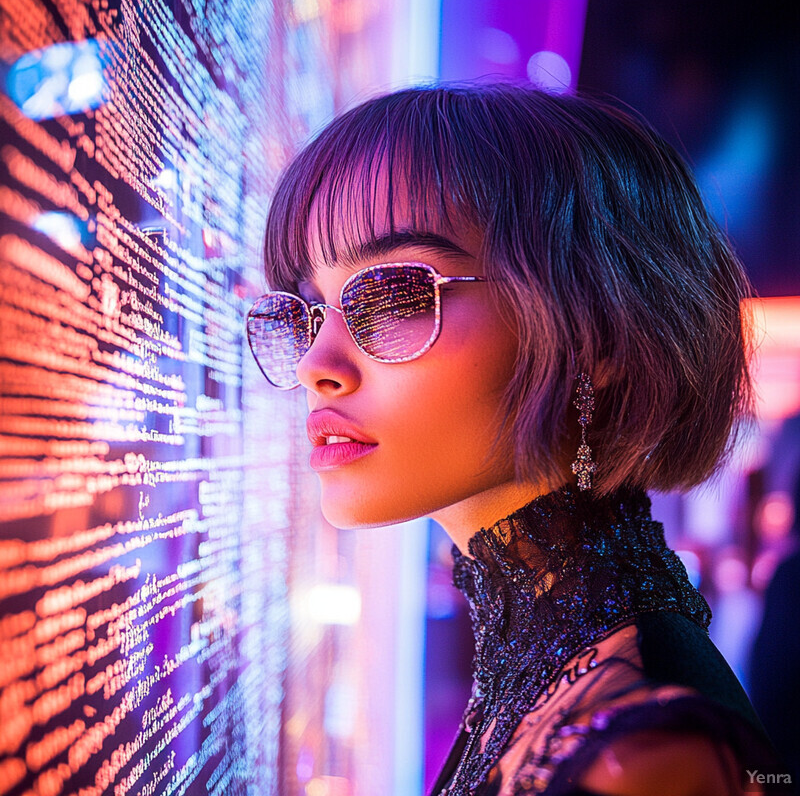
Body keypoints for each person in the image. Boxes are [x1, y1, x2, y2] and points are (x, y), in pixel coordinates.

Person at [247, 83, 784, 795]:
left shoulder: (644, 757)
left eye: (395, 296)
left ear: (596, 335)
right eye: (308, 310)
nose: (319, 364)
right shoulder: (556, 662)